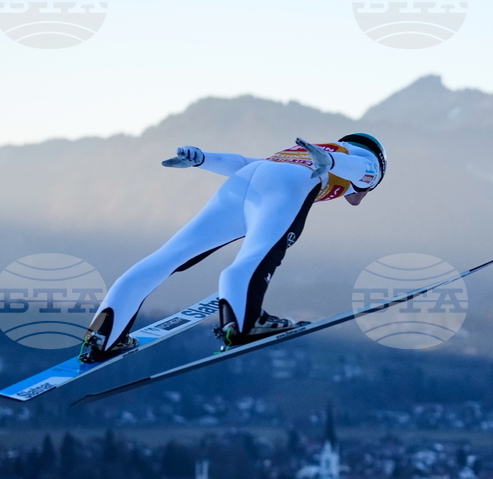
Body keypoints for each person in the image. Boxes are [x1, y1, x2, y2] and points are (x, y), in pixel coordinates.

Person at [79, 134, 387, 362]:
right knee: (260, 254)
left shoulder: (302, 152)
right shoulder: (362, 160)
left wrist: (203, 159)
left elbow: (244, 163)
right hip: (289, 183)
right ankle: (243, 324)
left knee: (168, 257)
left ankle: (104, 337)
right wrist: (333, 163)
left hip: (246, 180)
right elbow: (366, 172)